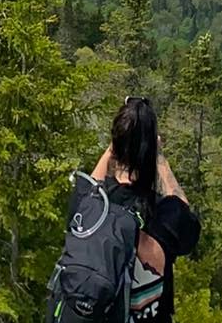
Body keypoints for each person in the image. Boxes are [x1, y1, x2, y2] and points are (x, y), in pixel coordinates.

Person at [92, 96, 201, 322]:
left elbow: (89, 187)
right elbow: (184, 213)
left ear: (114, 145)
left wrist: (119, 140)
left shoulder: (94, 205)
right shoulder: (165, 213)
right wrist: (159, 157)